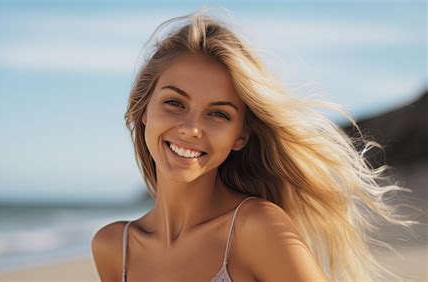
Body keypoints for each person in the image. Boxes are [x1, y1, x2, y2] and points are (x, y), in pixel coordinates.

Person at [92, 8, 416, 282]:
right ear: (144, 109)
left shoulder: (255, 227)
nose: (191, 129)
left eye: (218, 113)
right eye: (175, 103)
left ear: (240, 136)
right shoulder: (113, 248)